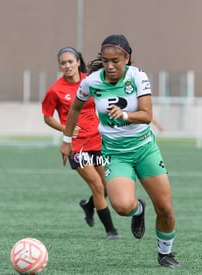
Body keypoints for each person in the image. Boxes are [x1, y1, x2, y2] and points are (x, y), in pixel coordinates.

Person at [60, 35, 181, 268]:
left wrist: (124, 114)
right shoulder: (92, 82)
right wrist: (67, 140)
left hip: (145, 150)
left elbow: (146, 115)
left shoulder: (138, 77)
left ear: (127, 57)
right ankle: (139, 208)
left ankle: (165, 253)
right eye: (105, 61)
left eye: (115, 60)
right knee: (123, 207)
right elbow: (75, 107)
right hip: (115, 154)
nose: (110, 66)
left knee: (165, 208)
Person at [42, 47, 120, 239]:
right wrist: (65, 129)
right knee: (98, 187)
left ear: (78, 62)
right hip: (77, 146)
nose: (67, 66)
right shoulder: (55, 90)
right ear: (59, 66)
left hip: (99, 142)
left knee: (107, 187)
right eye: (63, 63)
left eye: (70, 62)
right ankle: (111, 230)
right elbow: (47, 117)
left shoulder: (92, 81)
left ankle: (89, 205)